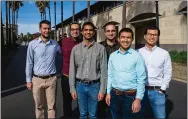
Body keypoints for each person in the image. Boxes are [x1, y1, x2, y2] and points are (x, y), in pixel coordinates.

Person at [69, 22, 108, 119]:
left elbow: (104, 71)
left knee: (93, 115)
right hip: (80, 86)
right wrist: (72, 88)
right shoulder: (75, 49)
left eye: (90, 30)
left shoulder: (101, 49)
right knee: (82, 114)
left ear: (94, 32)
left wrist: (102, 90)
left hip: (95, 86)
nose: (88, 32)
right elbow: (72, 70)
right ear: (82, 32)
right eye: (86, 30)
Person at [105, 28, 146, 119]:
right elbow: (110, 75)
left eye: (128, 37)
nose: (125, 40)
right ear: (119, 39)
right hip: (114, 94)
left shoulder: (137, 56)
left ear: (132, 39)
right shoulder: (113, 56)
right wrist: (108, 93)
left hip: (130, 96)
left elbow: (141, 79)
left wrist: (138, 99)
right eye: (123, 37)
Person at [25, 20, 61, 119]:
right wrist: (28, 80)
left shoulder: (55, 44)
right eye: (44, 28)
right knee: (39, 107)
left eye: (49, 28)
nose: (47, 30)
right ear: (40, 29)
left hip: (51, 79)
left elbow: (62, 52)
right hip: (37, 80)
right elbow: (29, 62)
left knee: (51, 107)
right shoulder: (33, 44)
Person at [138, 26, 172, 119]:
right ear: (145, 36)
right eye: (149, 34)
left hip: (157, 92)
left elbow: (168, 72)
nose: (152, 37)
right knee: (141, 116)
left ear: (158, 37)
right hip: (141, 91)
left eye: (155, 35)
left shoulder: (164, 53)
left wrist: (163, 89)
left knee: (160, 117)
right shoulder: (138, 52)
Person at [98, 21, 120, 118]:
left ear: (116, 32)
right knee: (101, 109)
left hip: (117, 83)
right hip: (101, 82)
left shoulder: (121, 46)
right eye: (108, 31)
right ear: (105, 32)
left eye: (113, 31)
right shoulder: (99, 46)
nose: (110, 33)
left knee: (115, 109)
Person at [61, 22, 81, 118]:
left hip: (79, 78)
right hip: (66, 77)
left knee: (80, 102)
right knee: (67, 102)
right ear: (69, 31)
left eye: (77, 29)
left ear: (80, 30)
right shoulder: (63, 41)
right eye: (73, 29)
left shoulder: (83, 42)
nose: (75, 31)